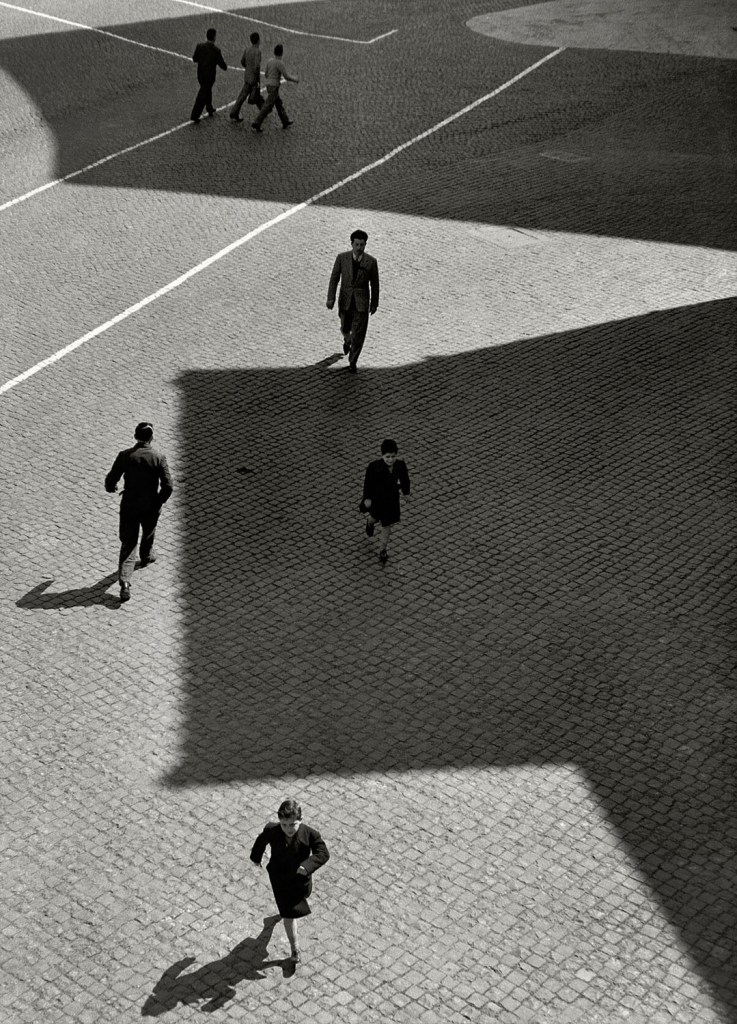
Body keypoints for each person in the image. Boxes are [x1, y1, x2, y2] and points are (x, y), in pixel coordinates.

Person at [250, 799, 329, 964]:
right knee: (289, 915)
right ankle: (295, 949)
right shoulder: (274, 830)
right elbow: (261, 840)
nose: (288, 829)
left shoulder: (310, 834)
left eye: (292, 824)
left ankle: (270, 924)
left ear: (300, 820)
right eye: (284, 824)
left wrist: (307, 866)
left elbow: (322, 853)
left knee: (295, 906)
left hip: (300, 882)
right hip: (280, 880)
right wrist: (256, 858)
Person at [104, 423, 173, 603]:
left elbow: (111, 479)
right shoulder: (159, 457)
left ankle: (125, 583)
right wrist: (158, 502)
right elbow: (168, 486)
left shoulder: (125, 456)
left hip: (130, 505)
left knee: (128, 543)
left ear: (135, 436)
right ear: (151, 438)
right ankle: (146, 556)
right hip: (150, 505)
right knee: (148, 532)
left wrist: (112, 487)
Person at [326, 230, 380, 372]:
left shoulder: (371, 262)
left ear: (365, 245)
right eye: (356, 244)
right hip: (345, 301)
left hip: (361, 304)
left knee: (359, 333)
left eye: (362, 245)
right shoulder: (342, 258)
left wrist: (374, 303)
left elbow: (375, 284)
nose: (359, 247)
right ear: (352, 244)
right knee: (345, 327)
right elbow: (334, 278)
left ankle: (353, 361)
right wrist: (330, 298)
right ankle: (347, 339)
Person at [361, 439, 410, 563]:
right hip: (378, 499)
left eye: (393, 456)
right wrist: (367, 498)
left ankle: (383, 549)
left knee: (387, 524)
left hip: (392, 500)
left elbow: (405, 480)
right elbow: (368, 483)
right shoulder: (374, 467)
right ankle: (369, 523)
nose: (390, 459)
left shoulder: (400, 466)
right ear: (382, 455)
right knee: (375, 517)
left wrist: (406, 493)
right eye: (387, 457)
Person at [251, 43, 298, 132]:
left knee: (278, 103)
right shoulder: (280, 63)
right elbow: (286, 76)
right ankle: (257, 122)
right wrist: (295, 79)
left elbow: (266, 74)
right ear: (282, 53)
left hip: (269, 85)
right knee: (267, 106)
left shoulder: (270, 61)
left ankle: (285, 120)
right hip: (274, 87)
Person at [191, 27, 228, 123]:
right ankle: (195, 115)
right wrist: (225, 67)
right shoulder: (216, 50)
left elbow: (194, 59)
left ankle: (209, 107)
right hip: (210, 76)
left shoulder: (199, 46)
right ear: (214, 37)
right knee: (203, 94)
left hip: (200, 74)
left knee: (207, 90)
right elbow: (221, 63)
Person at [230, 31, 264, 121]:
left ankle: (234, 112)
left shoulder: (247, 49)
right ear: (258, 41)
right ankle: (264, 110)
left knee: (245, 94)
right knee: (252, 94)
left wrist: (248, 67)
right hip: (253, 78)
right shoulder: (258, 52)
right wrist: (257, 80)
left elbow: (242, 61)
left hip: (247, 76)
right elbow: (257, 66)